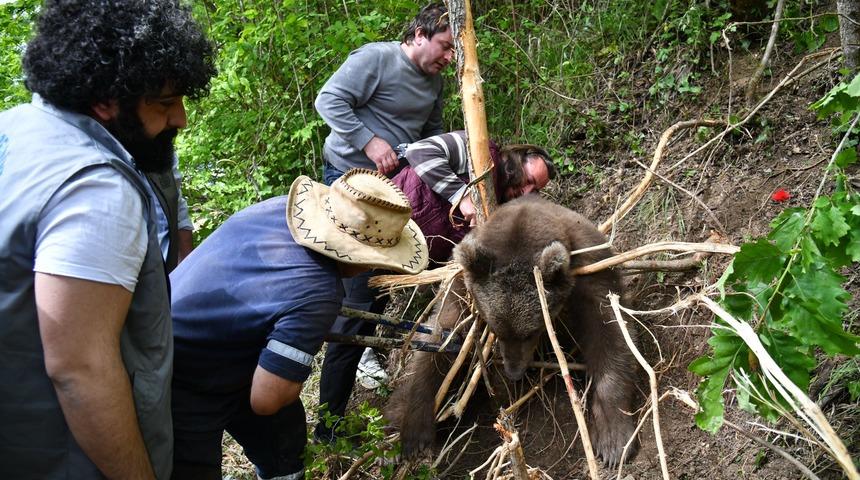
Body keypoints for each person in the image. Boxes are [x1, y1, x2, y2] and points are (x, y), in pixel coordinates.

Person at [0, 1, 216, 479]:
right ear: (106, 101)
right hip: (62, 453)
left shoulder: (16, 127)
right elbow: (80, 370)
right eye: (163, 103)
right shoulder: (95, 190)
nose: (180, 118)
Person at [169, 169, 429, 480]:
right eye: (376, 257)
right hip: (180, 376)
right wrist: (297, 359)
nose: (374, 266)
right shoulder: (318, 292)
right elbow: (267, 400)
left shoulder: (278, 208)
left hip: (215, 342)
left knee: (285, 443)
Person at [312, 2, 454, 441]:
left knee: (377, 293)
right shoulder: (376, 59)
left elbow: (430, 139)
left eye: (453, 52)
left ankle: (368, 361)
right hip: (348, 186)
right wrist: (370, 141)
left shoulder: (435, 85)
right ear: (417, 35)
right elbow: (328, 100)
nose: (448, 58)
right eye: (444, 47)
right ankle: (328, 428)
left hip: (392, 195)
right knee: (355, 302)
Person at [393, 130, 556, 264]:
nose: (526, 192)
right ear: (517, 159)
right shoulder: (478, 151)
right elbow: (419, 151)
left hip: (399, 259)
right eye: (529, 180)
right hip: (380, 213)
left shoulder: (497, 211)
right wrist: (461, 195)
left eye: (534, 190)